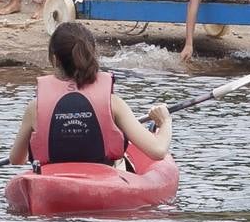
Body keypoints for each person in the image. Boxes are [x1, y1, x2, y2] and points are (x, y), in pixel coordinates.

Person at [9, 22, 172, 169]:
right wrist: (165, 121)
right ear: (91, 54)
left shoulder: (35, 108)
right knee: (122, 161)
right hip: (104, 181)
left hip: (53, 183)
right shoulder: (112, 104)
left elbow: (16, 159)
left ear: (55, 59)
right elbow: (157, 151)